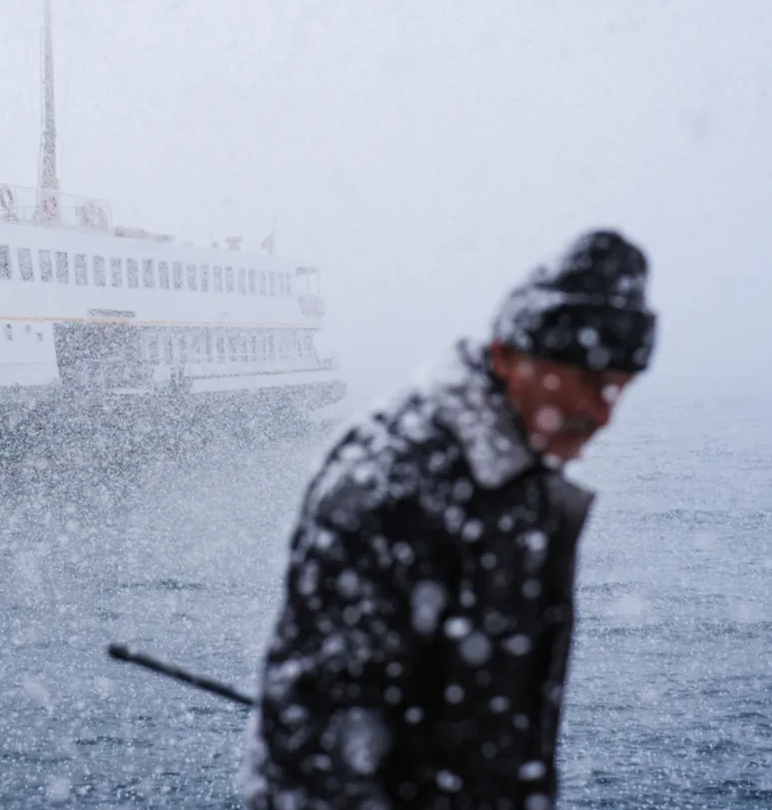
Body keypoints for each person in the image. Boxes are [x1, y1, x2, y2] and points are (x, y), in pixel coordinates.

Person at [240, 230, 657, 810]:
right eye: (586, 381)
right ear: (507, 357)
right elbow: (311, 752)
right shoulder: (394, 487)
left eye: (617, 387)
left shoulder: (514, 471)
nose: (603, 413)